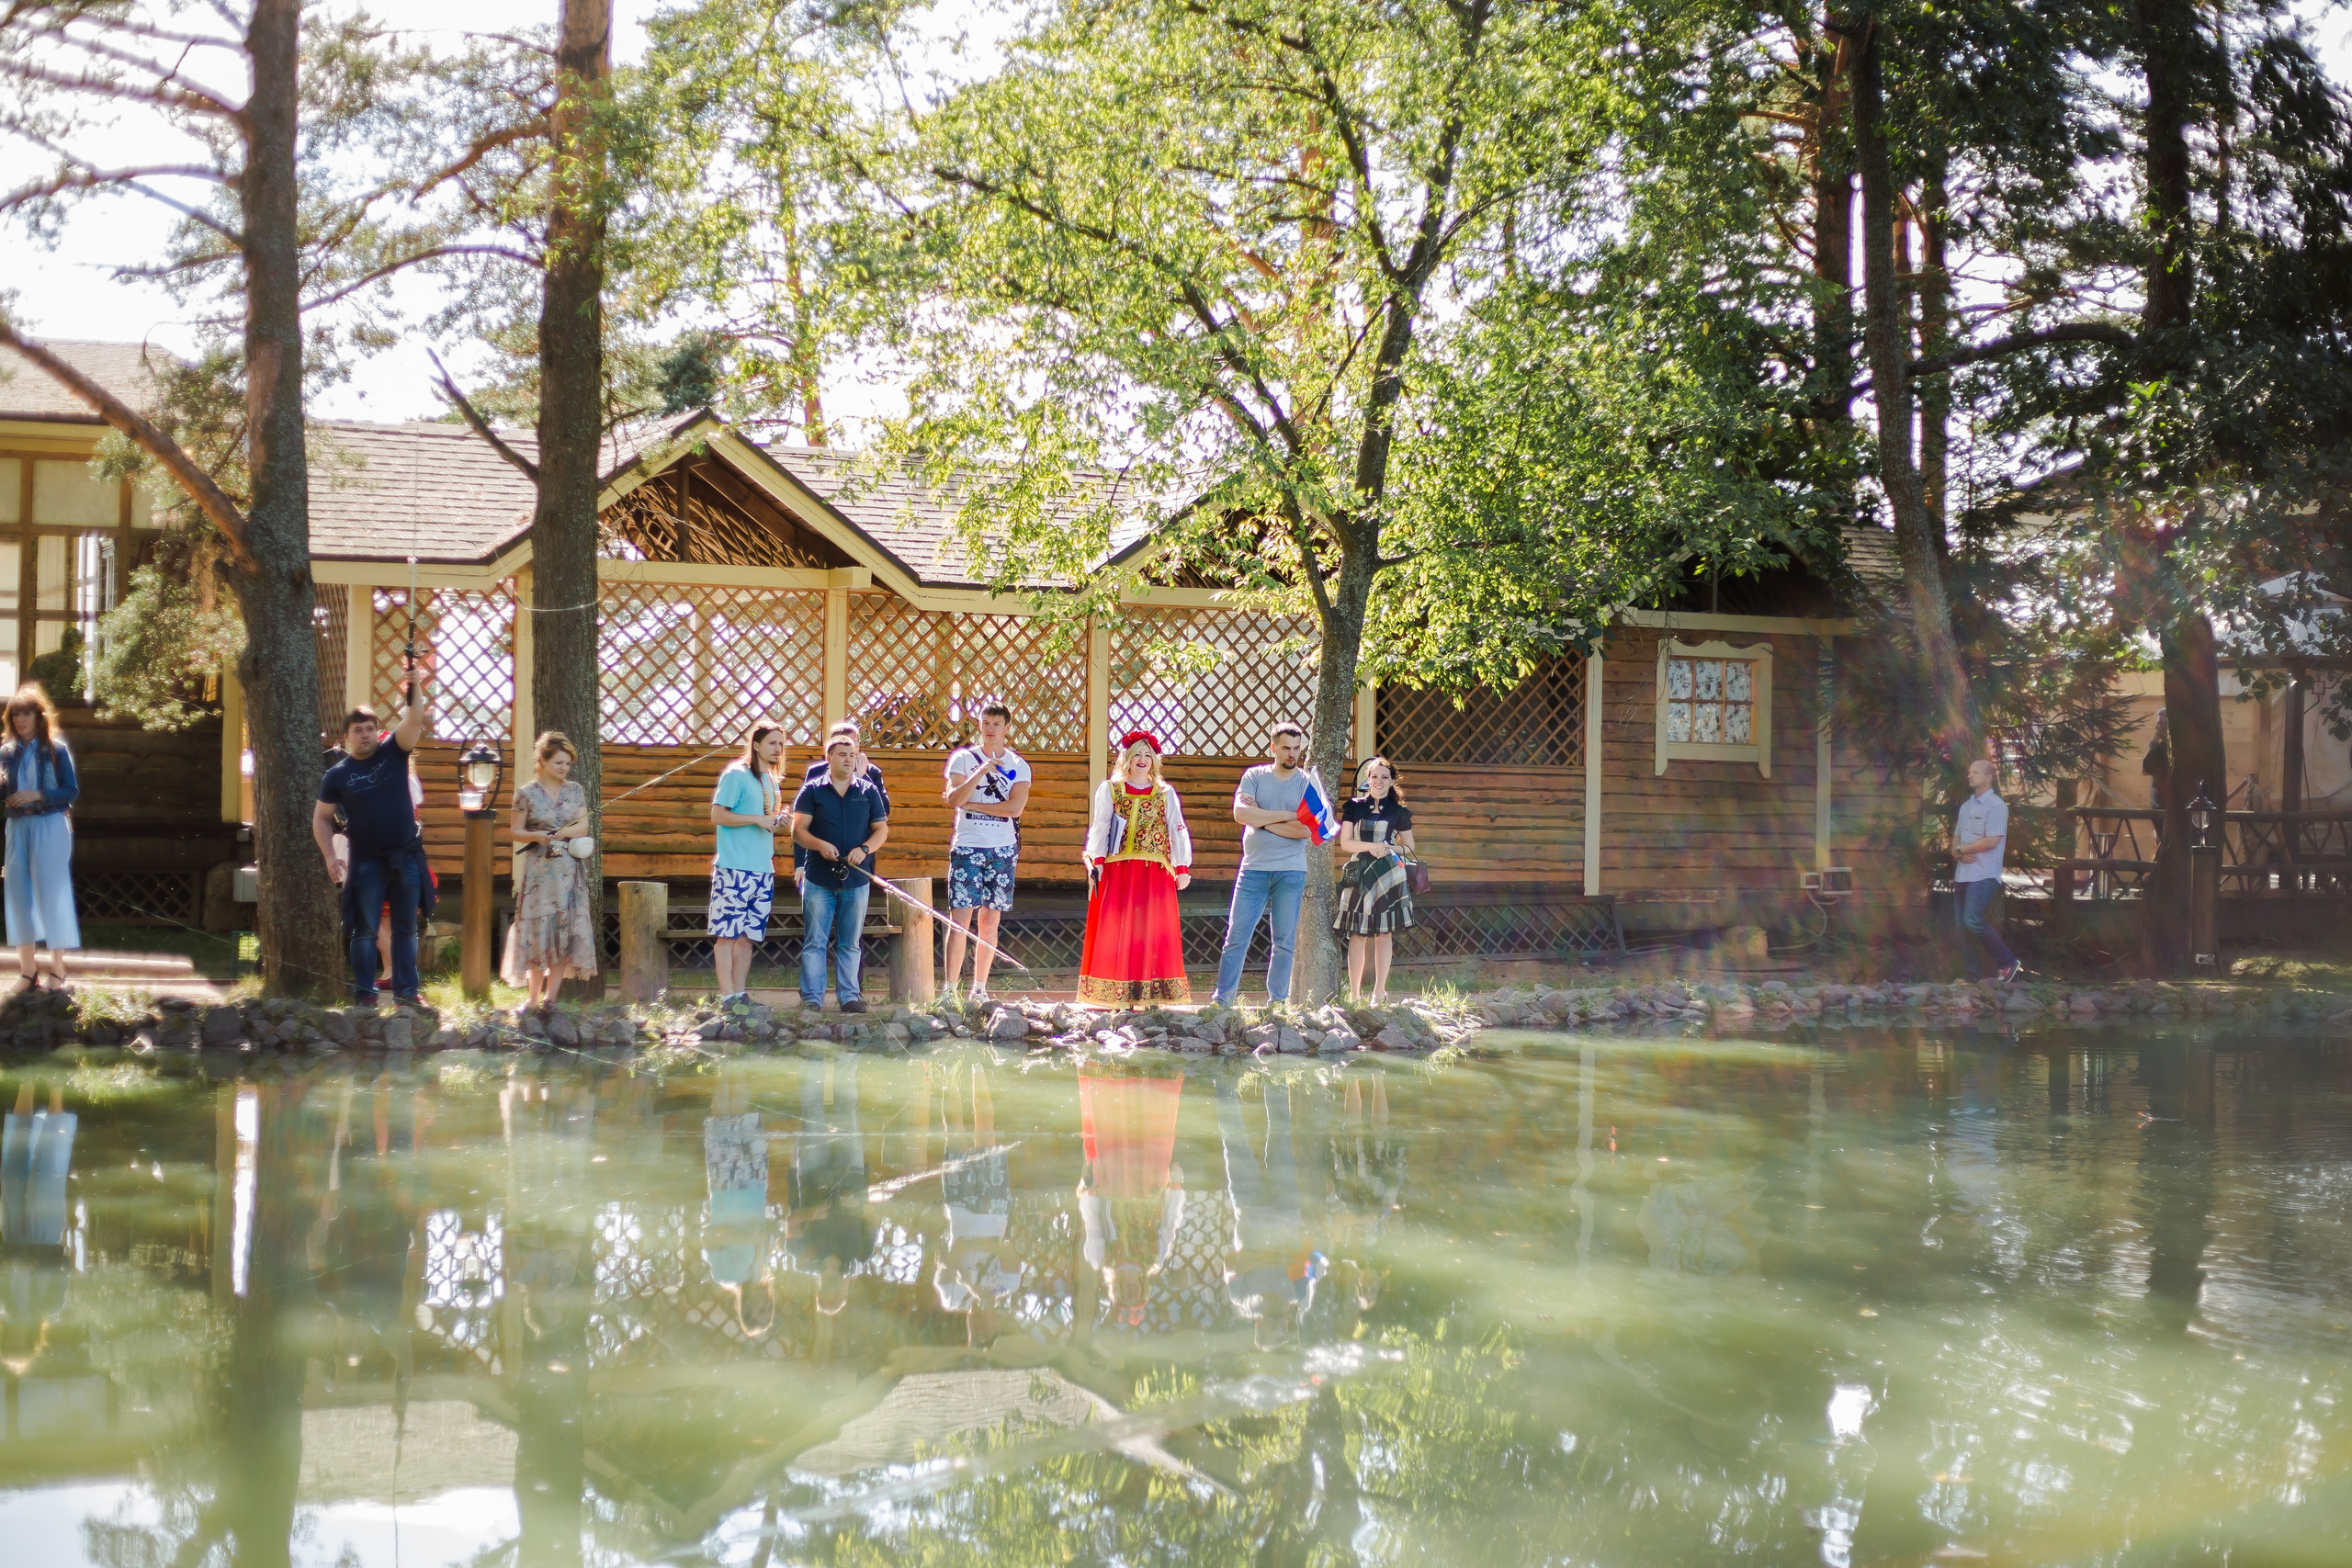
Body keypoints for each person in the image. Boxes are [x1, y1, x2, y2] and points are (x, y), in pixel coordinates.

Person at [313, 659, 432, 1005]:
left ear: (376, 731)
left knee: (406, 930)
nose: (364, 735)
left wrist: (414, 685)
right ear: (346, 736)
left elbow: (413, 718)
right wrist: (330, 857)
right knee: (363, 929)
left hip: (406, 855)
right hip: (365, 861)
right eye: (357, 730)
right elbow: (321, 818)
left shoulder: (394, 751)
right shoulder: (337, 775)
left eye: (369, 729)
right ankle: (364, 995)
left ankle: (408, 994)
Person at [1080, 731, 1193, 1007]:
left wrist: (1181, 867)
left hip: (1154, 872)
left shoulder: (1165, 794)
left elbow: (1176, 829)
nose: (1142, 760)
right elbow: (1101, 826)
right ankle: (1119, 994)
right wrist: (1097, 862)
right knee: (1120, 929)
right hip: (1119, 871)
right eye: (1137, 755)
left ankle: (1150, 996)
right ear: (1127, 759)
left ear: (1154, 761)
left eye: (1147, 755)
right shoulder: (1111, 789)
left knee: (1151, 929)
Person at [1214, 723, 1317, 1008]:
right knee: (1236, 937)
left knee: (1284, 942)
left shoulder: (1307, 783)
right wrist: (1286, 815)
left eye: (1297, 748)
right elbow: (1240, 813)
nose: (1292, 754)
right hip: (1253, 869)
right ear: (1274, 747)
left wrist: (1261, 818)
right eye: (1286, 748)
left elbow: (1306, 831)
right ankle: (1222, 1001)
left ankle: (1278, 1003)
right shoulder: (1254, 776)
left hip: (1291, 870)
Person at [791, 725, 891, 1013]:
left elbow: (881, 830)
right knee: (815, 942)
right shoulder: (812, 790)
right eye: (843, 754)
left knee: (850, 942)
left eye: (853, 754)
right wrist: (820, 845)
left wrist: (864, 849)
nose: (849, 759)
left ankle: (849, 997)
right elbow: (798, 831)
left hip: (857, 880)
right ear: (829, 758)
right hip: (819, 878)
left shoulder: (869, 790)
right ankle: (812, 999)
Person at [942, 702, 1032, 1003]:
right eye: (986, 723)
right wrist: (981, 770)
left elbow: (1014, 808)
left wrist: (977, 806)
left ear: (1007, 728)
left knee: (990, 921)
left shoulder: (1019, 765)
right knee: (960, 920)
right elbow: (955, 798)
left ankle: (979, 988)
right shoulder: (963, 759)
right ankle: (949, 989)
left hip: (1002, 849)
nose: (990, 729)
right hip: (968, 846)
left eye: (996, 724)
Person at [504, 730, 600, 1008]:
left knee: (564, 929)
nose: (564, 768)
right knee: (538, 932)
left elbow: (583, 826)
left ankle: (551, 998)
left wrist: (560, 834)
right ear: (543, 761)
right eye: (559, 762)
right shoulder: (525, 794)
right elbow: (516, 831)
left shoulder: (575, 790)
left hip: (570, 871)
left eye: (567, 764)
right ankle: (532, 999)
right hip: (539, 874)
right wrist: (537, 836)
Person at [1, 685, 80, 991]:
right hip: (18, 827)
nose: (21, 720)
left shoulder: (56, 749)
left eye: (26, 713)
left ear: (38, 716)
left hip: (50, 825)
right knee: (18, 895)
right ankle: (27, 972)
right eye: (16, 714)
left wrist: (39, 794)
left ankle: (58, 970)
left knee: (51, 892)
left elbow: (71, 791)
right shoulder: (6, 754)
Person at [709, 721, 786, 1006]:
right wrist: (755, 819)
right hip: (734, 868)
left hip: (762, 869)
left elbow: (765, 822)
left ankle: (740, 995)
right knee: (727, 934)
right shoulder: (736, 775)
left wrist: (778, 823)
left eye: (781, 743)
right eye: (772, 743)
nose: (778, 748)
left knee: (748, 937)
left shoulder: (770, 779)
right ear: (756, 744)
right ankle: (727, 996)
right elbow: (718, 815)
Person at [1333, 756, 1417, 1004]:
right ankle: (1355, 994)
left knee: (1383, 934)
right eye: (1374, 777)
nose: (1378, 781)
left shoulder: (1399, 812)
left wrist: (1388, 848)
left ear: (1391, 782)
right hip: (1360, 873)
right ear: (1367, 780)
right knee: (1357, 934)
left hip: (1388, 874)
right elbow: (1346, 843)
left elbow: (1410, 847)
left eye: (1384, 777)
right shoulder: (1354, 806)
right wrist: (1372, 846)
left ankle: (1379, 992)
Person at [797, 720, 889, 892]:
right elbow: (802, 823)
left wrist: (862, 777)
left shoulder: (872, 773)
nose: (851, 751)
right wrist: (799, 865)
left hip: (858, 867)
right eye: (845, 746)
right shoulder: (815, 775)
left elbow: (883, 813)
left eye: (855, 745)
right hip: (819, 869)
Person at [1953, 757, 2021, 983]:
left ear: (1988, 777)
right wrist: (1957, 851)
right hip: (1962, 875)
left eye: (1975, 772)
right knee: (1963, 927)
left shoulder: (1996, 806)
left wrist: (1963, 848)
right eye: (1969, 772)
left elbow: (1992, 840)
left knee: (1973, 920)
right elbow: (1956, 839)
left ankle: (2008, 962)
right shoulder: (1966, 806)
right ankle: (1970, 978)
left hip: (1984, 875)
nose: (1969, 775)